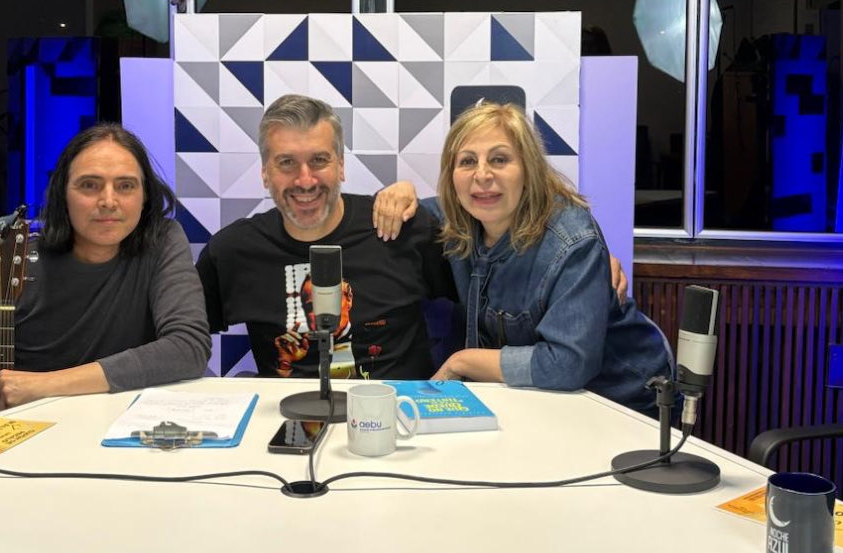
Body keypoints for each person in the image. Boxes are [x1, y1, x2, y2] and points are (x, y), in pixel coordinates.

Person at [374, 101, 672, 414]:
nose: (482, 174)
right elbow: (413, 210)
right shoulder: (459, 218)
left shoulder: (572, 241)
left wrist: (462, 361)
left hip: (621, 399)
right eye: (467, 161)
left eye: (499, 159)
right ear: (452, 176)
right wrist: (400, 192)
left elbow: (568, 364)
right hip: (534, 399)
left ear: (528, 169)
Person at [0, 124, 211, 423]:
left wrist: (45, 385)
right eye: (89, 185)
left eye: (125, 186)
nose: (108, 201)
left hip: (118, 431)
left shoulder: (162, 240)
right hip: (30, 437)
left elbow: (187, 348)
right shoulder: (15, 264)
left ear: (145, 196)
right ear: (63, 194)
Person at [195, 94, 455, 381]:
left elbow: (477, 305)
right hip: (286, 417)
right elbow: (181, 340)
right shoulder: (233, 251)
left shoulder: (403, 229)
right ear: (265, 173)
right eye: (286, 163)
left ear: (340, 166)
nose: (305, 180)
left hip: (403, 414)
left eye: (319, 160)